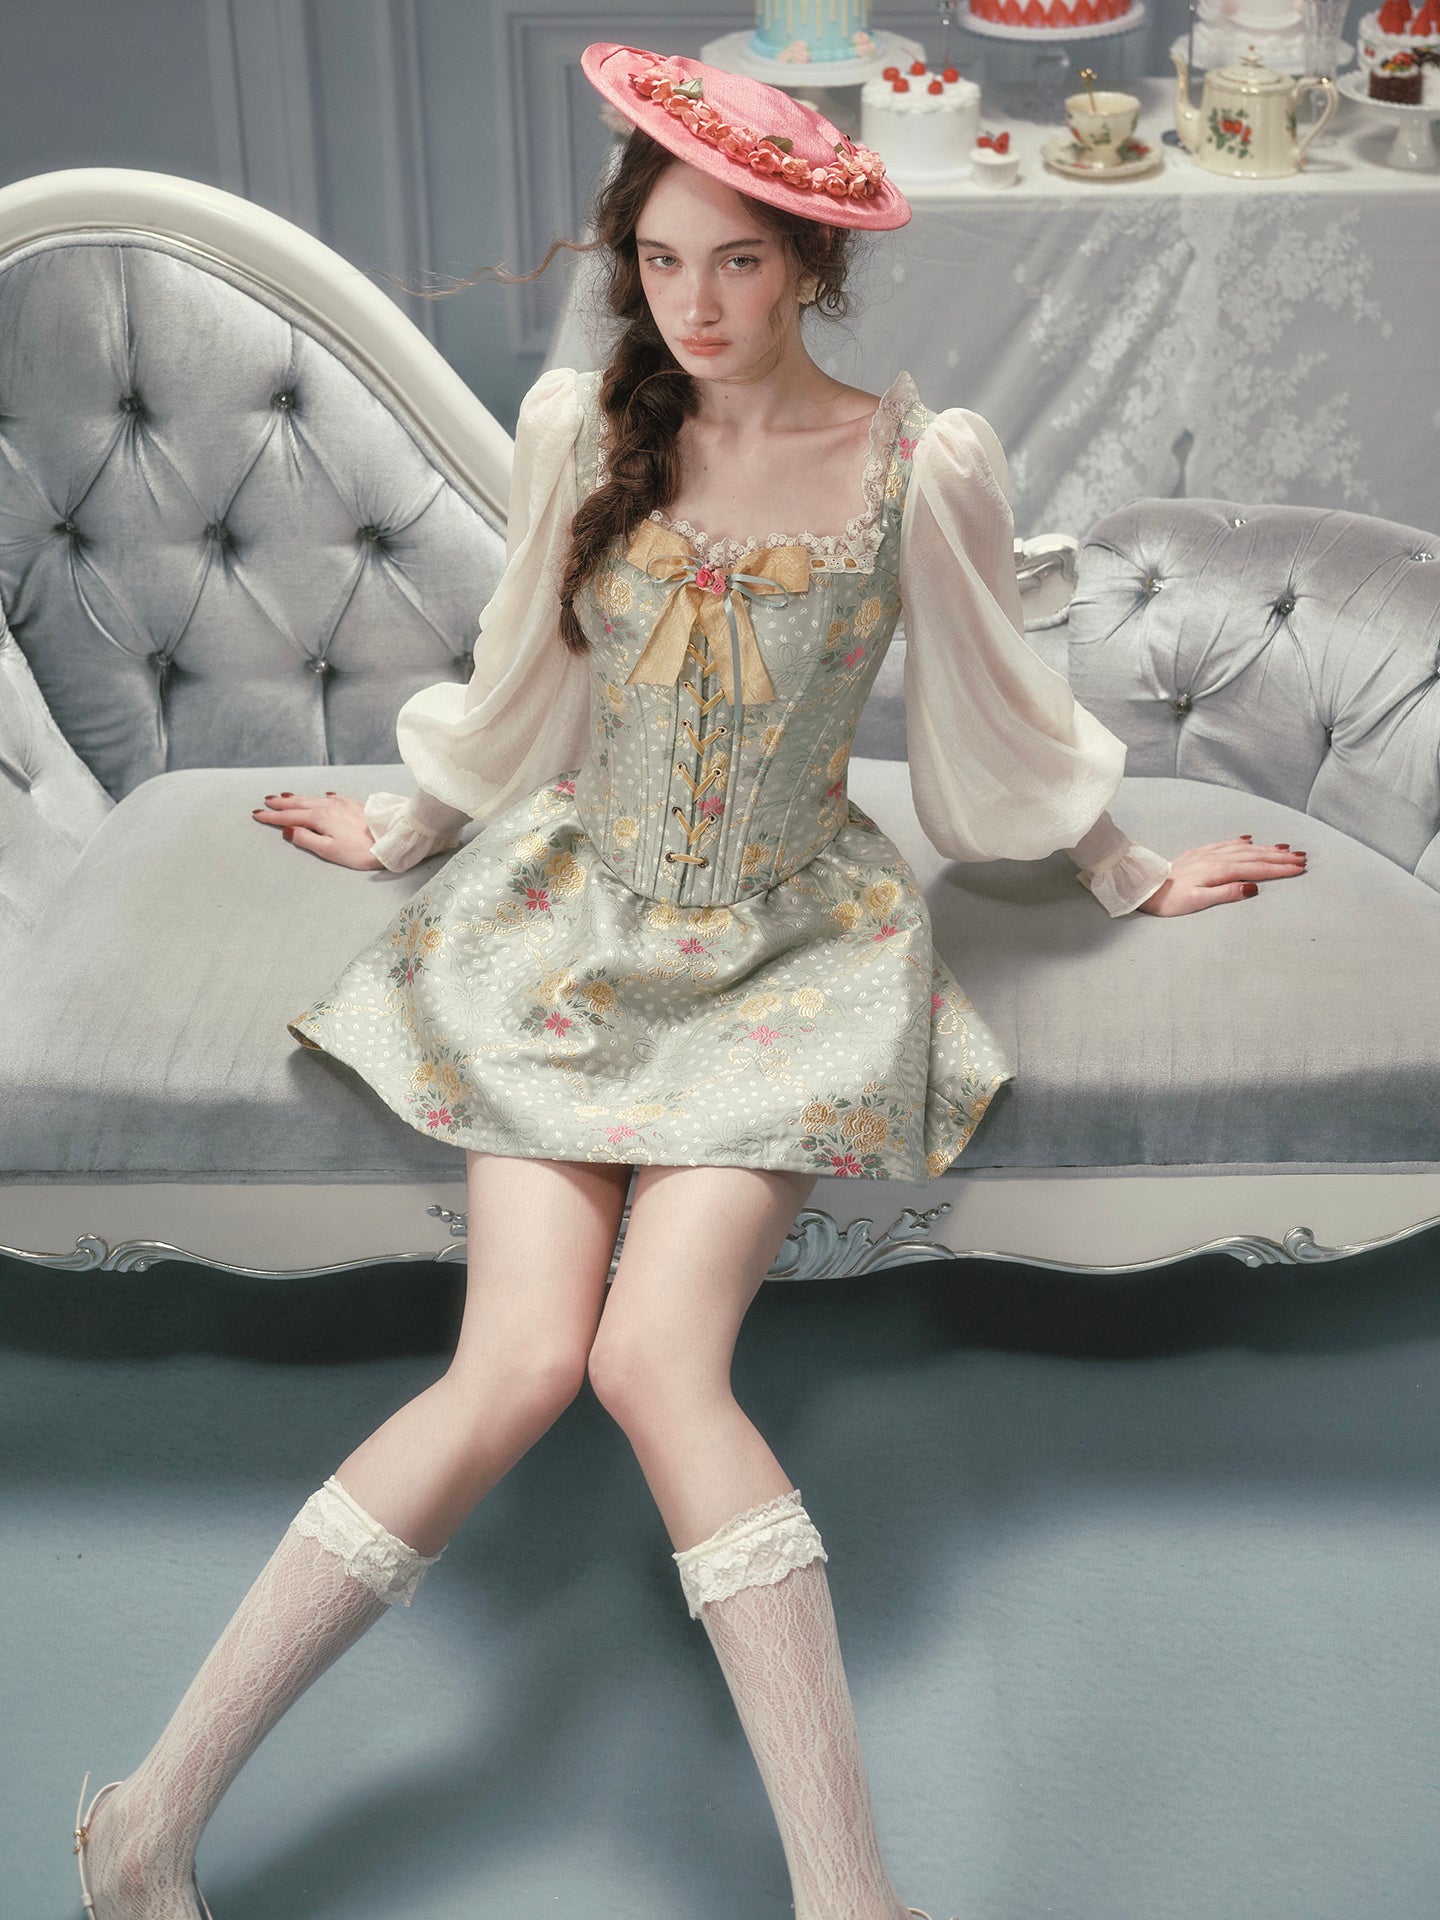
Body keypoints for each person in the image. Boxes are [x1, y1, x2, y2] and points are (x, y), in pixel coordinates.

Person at [72, 42, 1306, 1920]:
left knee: (656, 1360)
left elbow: (1000, 714)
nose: (695, 306)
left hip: (789, 951)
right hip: (571, 929)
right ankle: (146, 1823)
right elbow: (520, 678)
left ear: (812, 265)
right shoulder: (584, 436)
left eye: (736, 263)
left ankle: (849, 1898)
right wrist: (411, 828)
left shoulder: (916, 466)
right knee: (514, 1365)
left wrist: (1128, 870)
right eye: (660, 262)